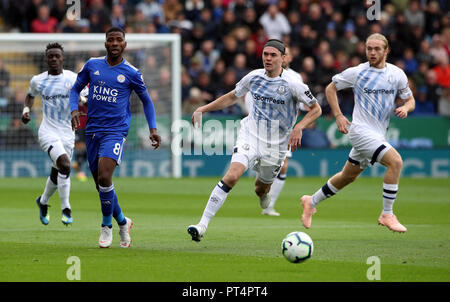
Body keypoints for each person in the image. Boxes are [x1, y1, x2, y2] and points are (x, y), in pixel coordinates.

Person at [187, 39, 322, 242]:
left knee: (261, 188)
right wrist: (202, 109)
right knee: (232, 176)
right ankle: (202, 225)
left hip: (276, 145)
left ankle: (263, 195)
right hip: (250, 134)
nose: (268, 58)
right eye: (265, 54)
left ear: (283, 58)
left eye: (273, 55)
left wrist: (299, 127)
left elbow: (316, 109)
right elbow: (233, 96)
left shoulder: (294, 84)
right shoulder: (253, 77)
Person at [300, 33, 416, 233]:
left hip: (378, 134)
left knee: (347, 176)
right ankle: (387, 214)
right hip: (360, 131)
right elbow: (330, 89)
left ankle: (311, 201)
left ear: (386, 51)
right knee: (395, 162)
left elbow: (410, 100)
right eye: (369, 48)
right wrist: (338, 115)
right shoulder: (358, 72)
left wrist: (406, 108)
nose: (372, 52)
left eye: (377, 49)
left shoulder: (397, 74)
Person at [69, 27, 161, 248]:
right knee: (102, 184)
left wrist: (153, 129)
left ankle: (105, 226)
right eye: (111, 40)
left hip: (115, 132)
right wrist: (74, 109)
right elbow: (75, 90)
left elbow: (146, 101)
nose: (115, 43)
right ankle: (122, 222)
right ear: (106, 44)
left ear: (125, 45)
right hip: (92, 131)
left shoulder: (132, 72)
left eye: (119, 40)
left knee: (104, 176)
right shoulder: (92, 65)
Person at [22, 42, 87, 226]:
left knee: (58, 170)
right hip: (48, 131)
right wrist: (26, 110)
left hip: (68, 133)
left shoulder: (73, 78)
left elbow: (87, 98)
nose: (53, 59)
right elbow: (30, 95)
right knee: (65, 165)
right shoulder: (38, 80)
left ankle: (42, 202)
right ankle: (66, 208)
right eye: (50, 56)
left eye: (57, 56)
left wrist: (83, 100)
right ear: (46, 58)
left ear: (62, 59)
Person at [244, 45, 305, 216]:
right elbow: (248, 96)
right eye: (267, 54)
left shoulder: (295, 78)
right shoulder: (259, 75)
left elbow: (300, 104)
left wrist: (296, 125)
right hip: (260, 128)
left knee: (283, 167)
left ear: (287, 58)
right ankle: (263, 190)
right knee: (264, 175)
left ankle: (270, 205)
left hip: (283, 131)